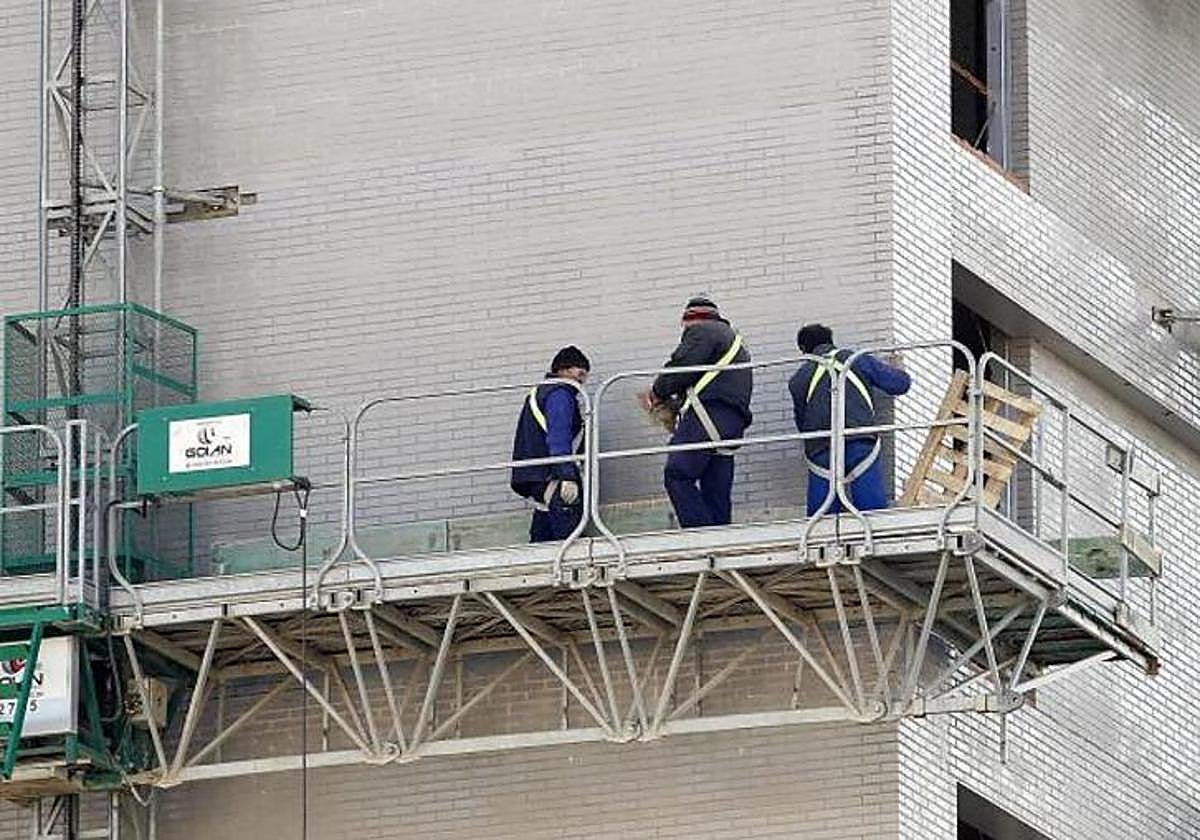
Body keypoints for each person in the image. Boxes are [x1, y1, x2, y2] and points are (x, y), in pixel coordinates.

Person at [641, 297, 753, 528]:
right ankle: (720, 537)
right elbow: (704, 379)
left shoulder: (702, 331)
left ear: (691, 320)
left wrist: (657, 392)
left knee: (677, 474)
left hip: (707, 415)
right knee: (715, 487)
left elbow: (682, 367)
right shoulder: (733, 342)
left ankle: (699, 535)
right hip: (730, 423)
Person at [789, 323, 911, 516]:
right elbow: (900, 384)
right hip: (859, 441)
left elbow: (802, 425)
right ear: (830, 341)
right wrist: (898, 367)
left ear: (804, 350)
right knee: (872, 514)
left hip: (821, 448)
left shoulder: (799, 378)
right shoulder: (854, 360)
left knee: (822, 521)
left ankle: (823, 541)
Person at [511, 346, 590, 542]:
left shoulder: (539, 393)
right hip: (553, 477)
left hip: (537, 477)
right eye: (579, 373)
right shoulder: (560, 395)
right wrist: (567, 476)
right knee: (570, 540)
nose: (582, 381)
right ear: (563, 370)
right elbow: (559, 437)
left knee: (543, 539)